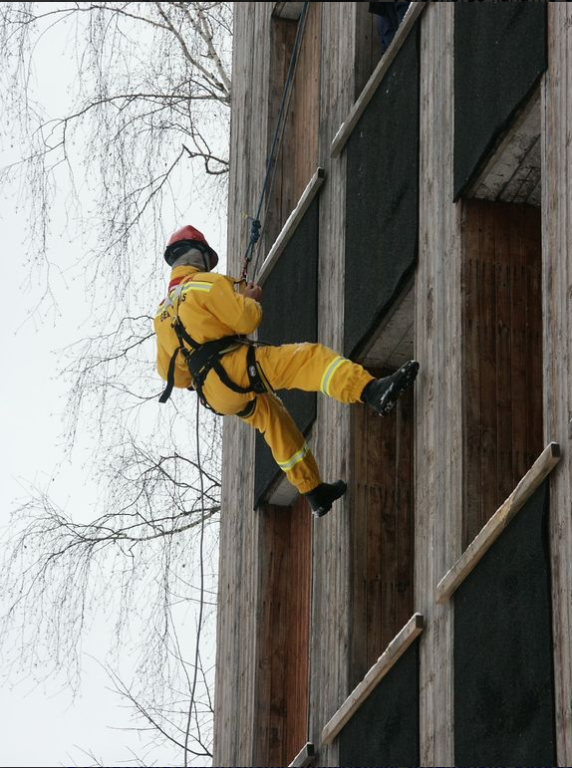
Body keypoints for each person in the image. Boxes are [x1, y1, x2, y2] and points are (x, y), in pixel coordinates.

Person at [154, 225, 419, 518]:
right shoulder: (206, 284)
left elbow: (175, 377)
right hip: (237, 367)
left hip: (214, 394)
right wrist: (249, 300)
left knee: (274, 422)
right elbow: (245, 321)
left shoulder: (161, 314)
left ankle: (314, 491)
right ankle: (371, 391)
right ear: (200, 255)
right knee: (308, 359)